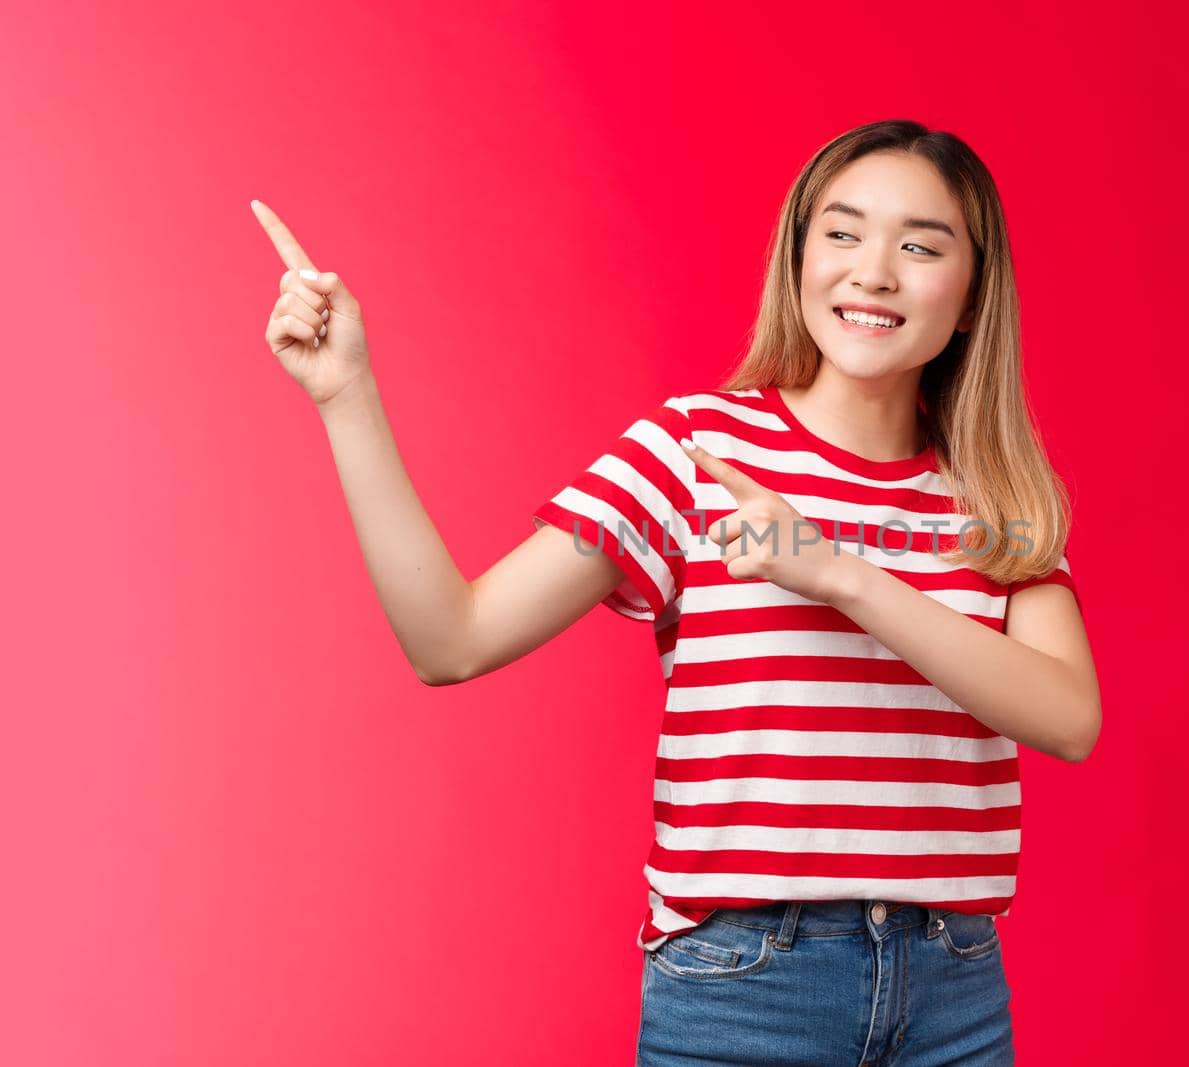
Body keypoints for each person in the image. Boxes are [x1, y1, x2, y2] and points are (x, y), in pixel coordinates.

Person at [253, 118, 1101, 1066]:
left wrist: (841, 576)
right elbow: (450, 639)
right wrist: (347, 397)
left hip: (954, 995)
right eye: (843, 232)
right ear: (799, 257)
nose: (873, 271)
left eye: (919, 245)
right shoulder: (694, 451)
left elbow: (1069, 716)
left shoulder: (994, 496)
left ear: (974, 293)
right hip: (746, 990)